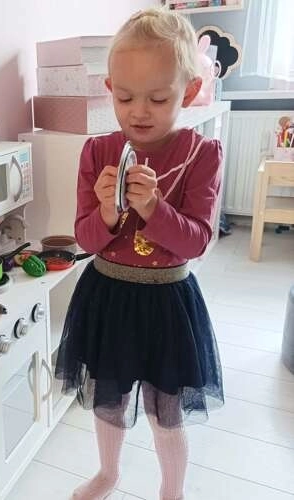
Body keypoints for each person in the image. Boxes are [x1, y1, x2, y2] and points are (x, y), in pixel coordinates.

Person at [54, 7, 224, 500]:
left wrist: (152, 207)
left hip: (167, 301)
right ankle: (109, 473)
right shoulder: (97, 152)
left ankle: (173, 490)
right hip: (107, 295)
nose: (139, 112)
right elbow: (86, 240)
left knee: (165, 412)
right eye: (125, 97)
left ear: (188, 92)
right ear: (110, 89)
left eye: (158, 98)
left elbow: (196, 241)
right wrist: (107, 213)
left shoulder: (201, 154)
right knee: (109, 400)